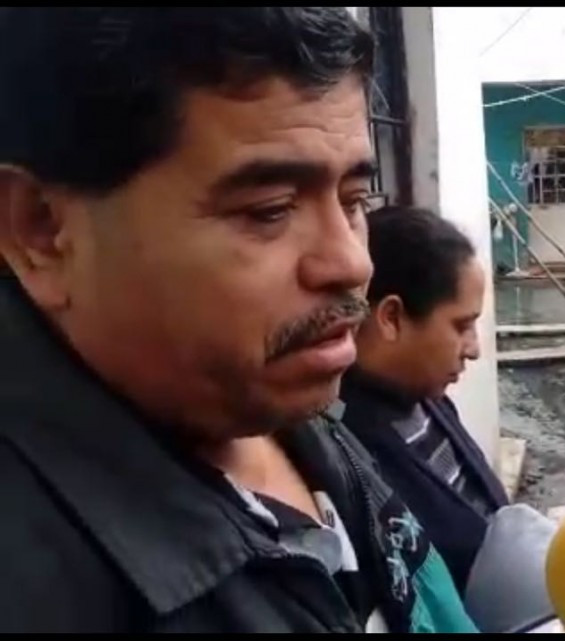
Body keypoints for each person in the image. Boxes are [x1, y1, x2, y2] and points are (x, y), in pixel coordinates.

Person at [0, 8, 475, 633]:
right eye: (270, 210)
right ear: (44, 231)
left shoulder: (282, 402)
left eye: (355, 200)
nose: (352, 261)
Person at [339, 207, 510, 593]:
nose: (474, 350)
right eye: (461, 325)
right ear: (392, 318)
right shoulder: (347, 456)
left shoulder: (427, 401)